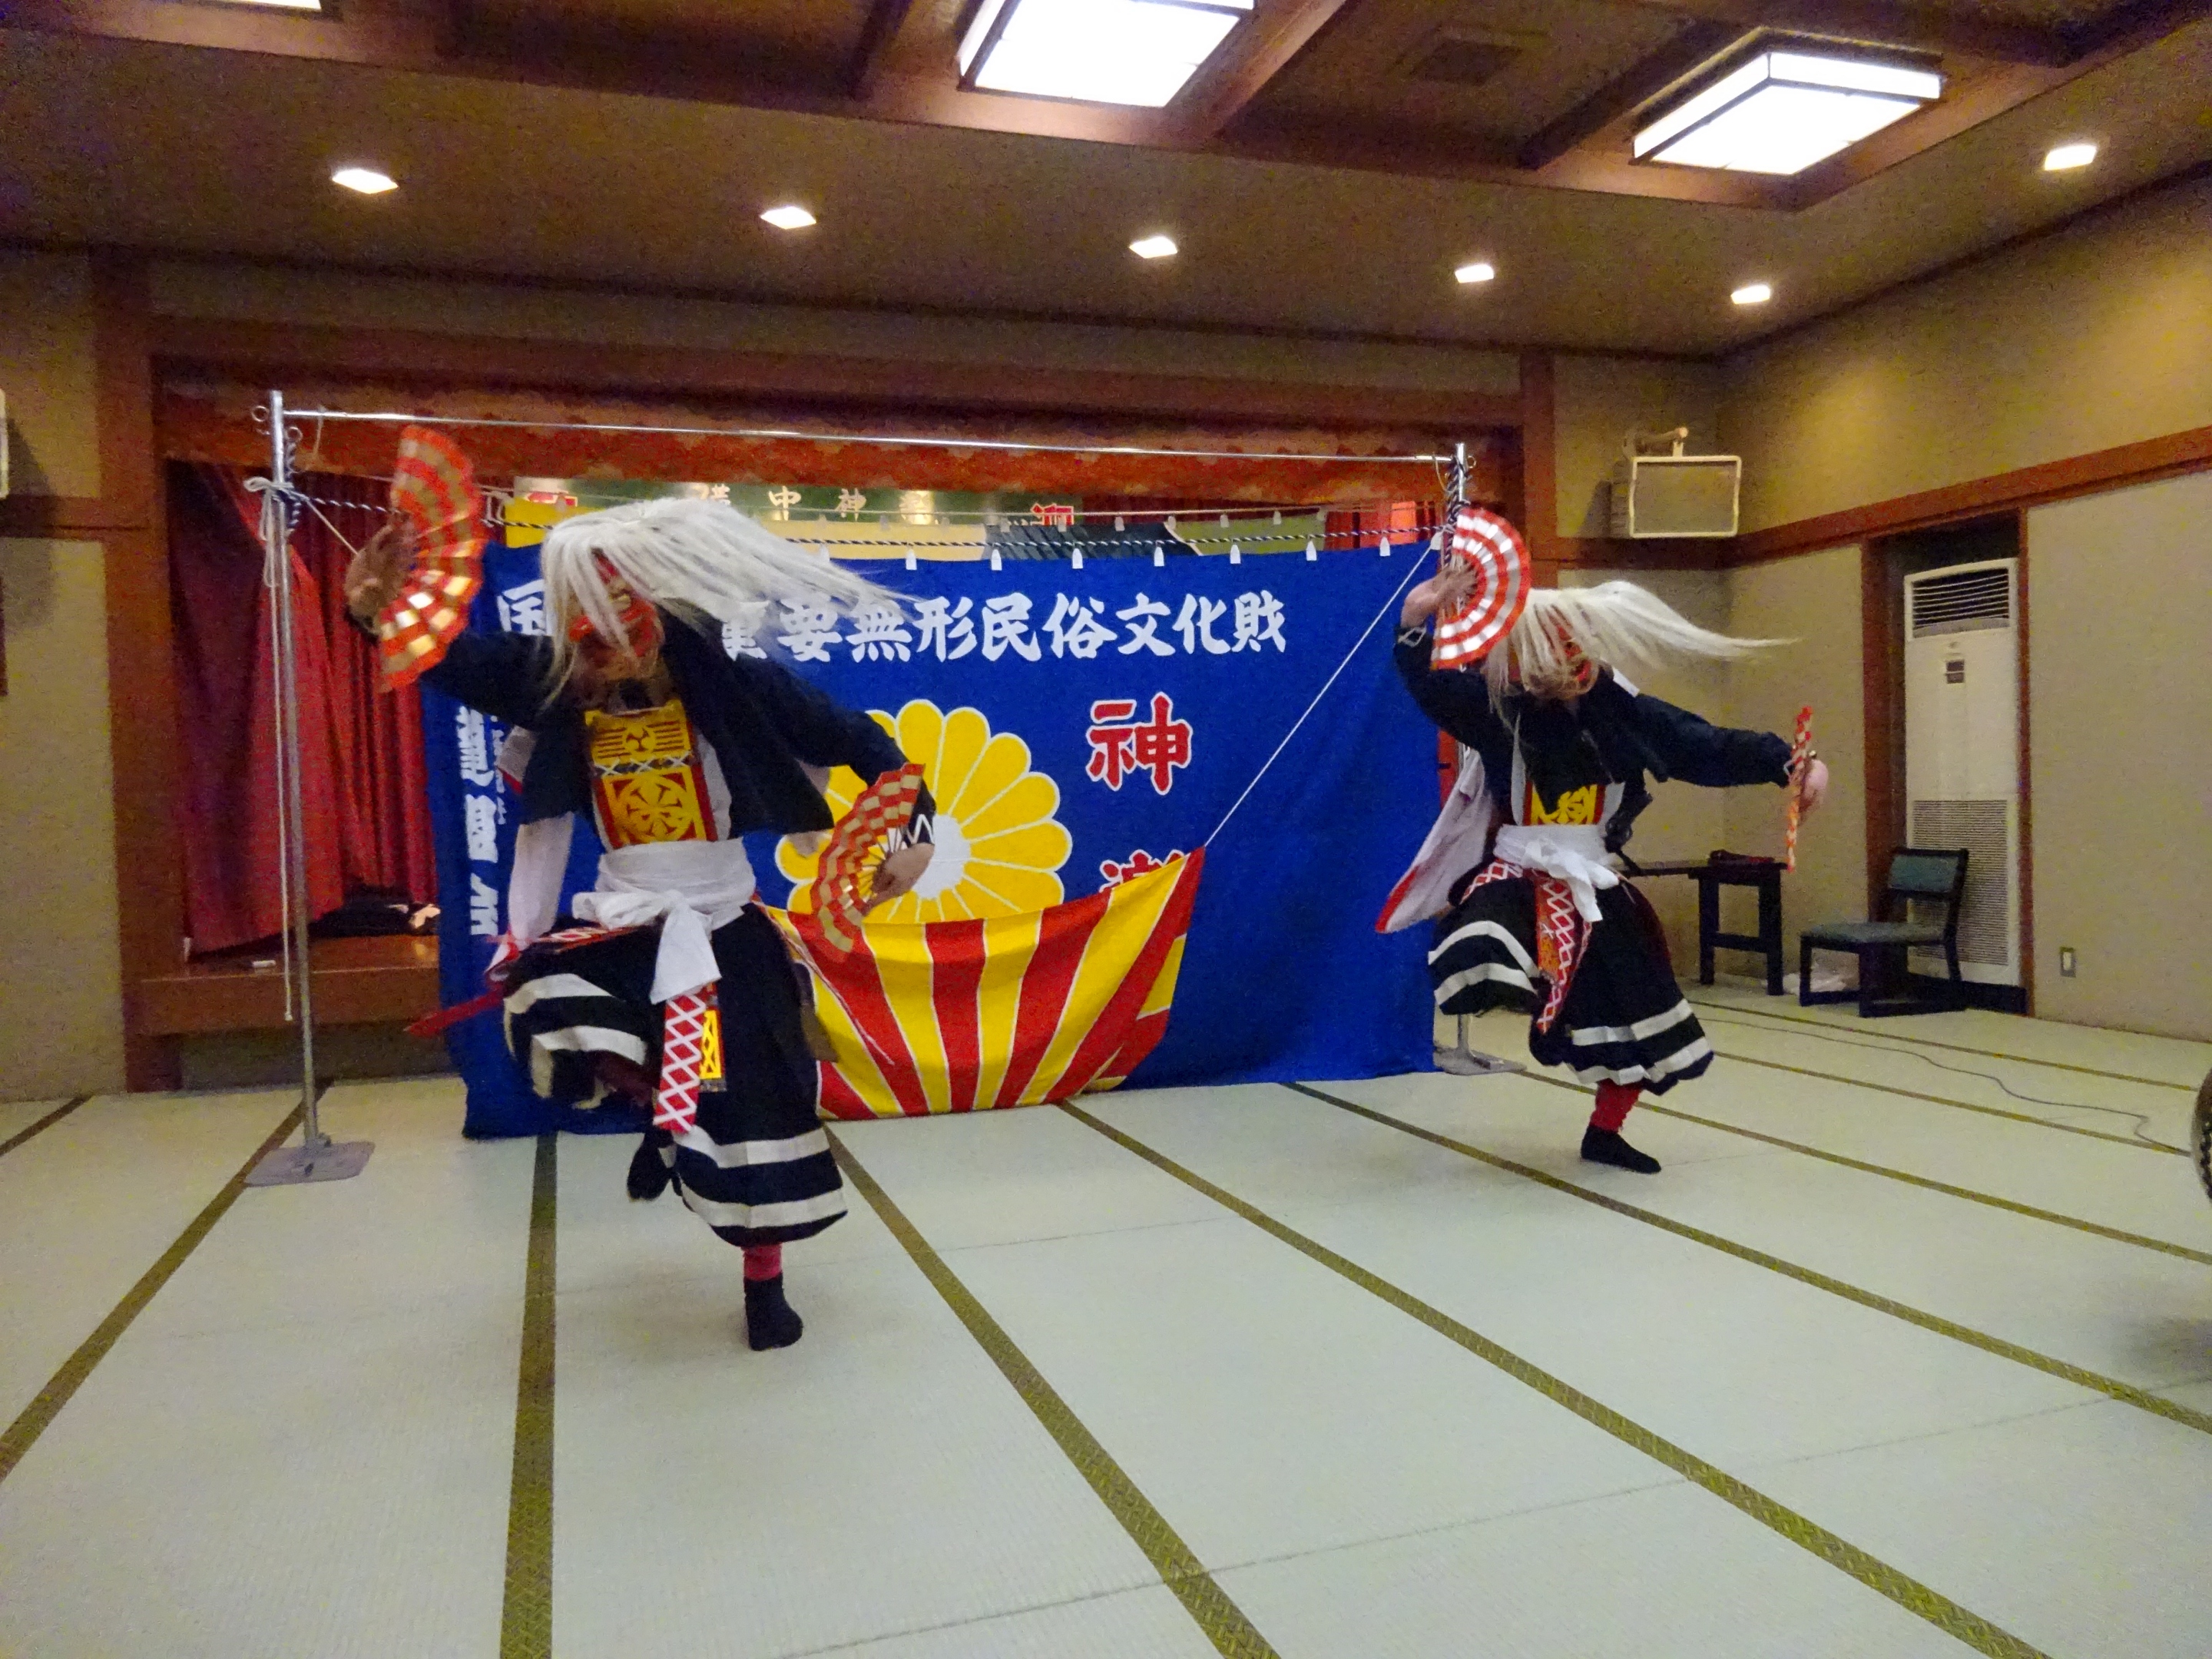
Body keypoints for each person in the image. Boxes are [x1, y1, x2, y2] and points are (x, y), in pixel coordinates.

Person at [347, 496, 934, 1348]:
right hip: (623, 926)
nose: (601, 660)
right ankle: (663, 1107)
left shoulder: (741, 690)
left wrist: (914, 835)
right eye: (583, 642)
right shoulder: (558, 690)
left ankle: (762, 1280)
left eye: (618, 636)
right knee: (541, 995)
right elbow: (449, 657)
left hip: (726, 929)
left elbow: (868, 744)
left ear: (660, 618)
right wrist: (378, 610)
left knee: (757, 1116)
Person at [1392, 559, 1827, 1174]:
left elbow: (1703, 744)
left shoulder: (1627, 713)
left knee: (1640, 1021)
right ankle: (1531, 992)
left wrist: (1791, 763)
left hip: (1596, 882)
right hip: (1520, 872)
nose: (1563, 667)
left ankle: (1605, 1131)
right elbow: (1431, 686)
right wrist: (1415, 621)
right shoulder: (1497, 712)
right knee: (1483, 941)